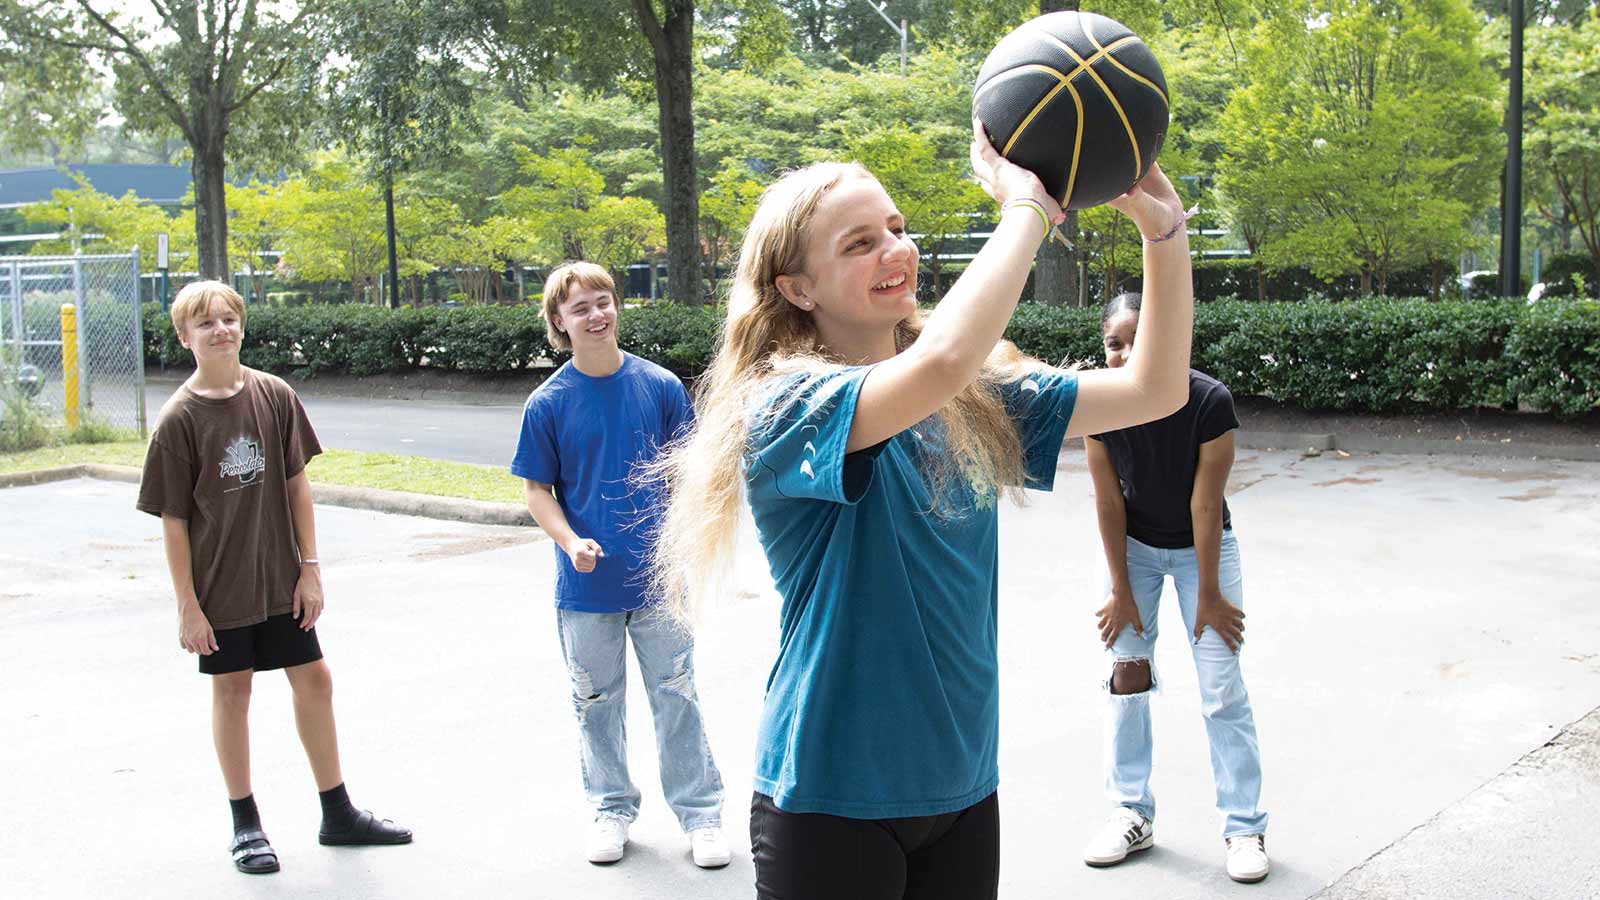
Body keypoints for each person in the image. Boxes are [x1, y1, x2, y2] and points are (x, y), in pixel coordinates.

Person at [645, 123, 1197, 900]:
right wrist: (1026, 211)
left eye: (898, 230)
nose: (895, 251)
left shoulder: (972, 397)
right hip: (833, 799)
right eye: (859, 243)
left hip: (961, 784)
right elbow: (939, 360)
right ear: (798, 289)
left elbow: (1156, 390)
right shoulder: (785, 407)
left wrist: (1165, 229)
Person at [137, 281, 410, 876]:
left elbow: (296, 484)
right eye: (205, 323)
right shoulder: (179, 418)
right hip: (220, 588)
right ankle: (246, 824)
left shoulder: (274, 395)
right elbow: (175, 520)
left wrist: (310, 570)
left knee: (314, 680)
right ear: (185, 337)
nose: (221, 330)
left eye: (230, 318)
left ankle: (337, 812)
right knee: (233, 693)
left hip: (282, 580)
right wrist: (187, 605)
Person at [511, 262, 729, 868]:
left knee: (676, 693)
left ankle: (702, 816)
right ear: (559, 322)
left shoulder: (659, 386)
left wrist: (689, 540)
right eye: (580, 308)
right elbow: (536, 491)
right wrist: (569, 541)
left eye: (603, 301)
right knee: (595, 702)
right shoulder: (548, 402)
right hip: (586, 587)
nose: (596, 314)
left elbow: (688, 472)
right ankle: (610, 810)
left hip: (660, 579)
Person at [1080, 292, 1270, 883]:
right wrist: (1120, 589)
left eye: (1140, 338)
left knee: (1220, 686)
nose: (1126, 352)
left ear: (1170, 338)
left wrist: (1209, 593)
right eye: (1115, 342)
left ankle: (1245, 828)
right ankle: (1131, 812)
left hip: (1202, 551)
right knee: (1127, 672)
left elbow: (1206, 502)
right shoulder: (1097, 404)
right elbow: (1108, 499)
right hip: (1132, 549)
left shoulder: (1209, 401)